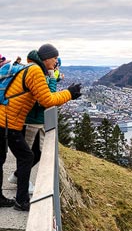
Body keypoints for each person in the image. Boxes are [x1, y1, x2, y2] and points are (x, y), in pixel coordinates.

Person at [0, 43, 80, 211]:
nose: (56, 61)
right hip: (7, 122)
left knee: (7, 158)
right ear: (46, 58)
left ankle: (4, 199)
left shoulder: (30, 67)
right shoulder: (35, 71)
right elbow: (47, 100)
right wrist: (69, 94)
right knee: (27, 156)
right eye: (54, 58)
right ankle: (21, 201)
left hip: (6, 120)